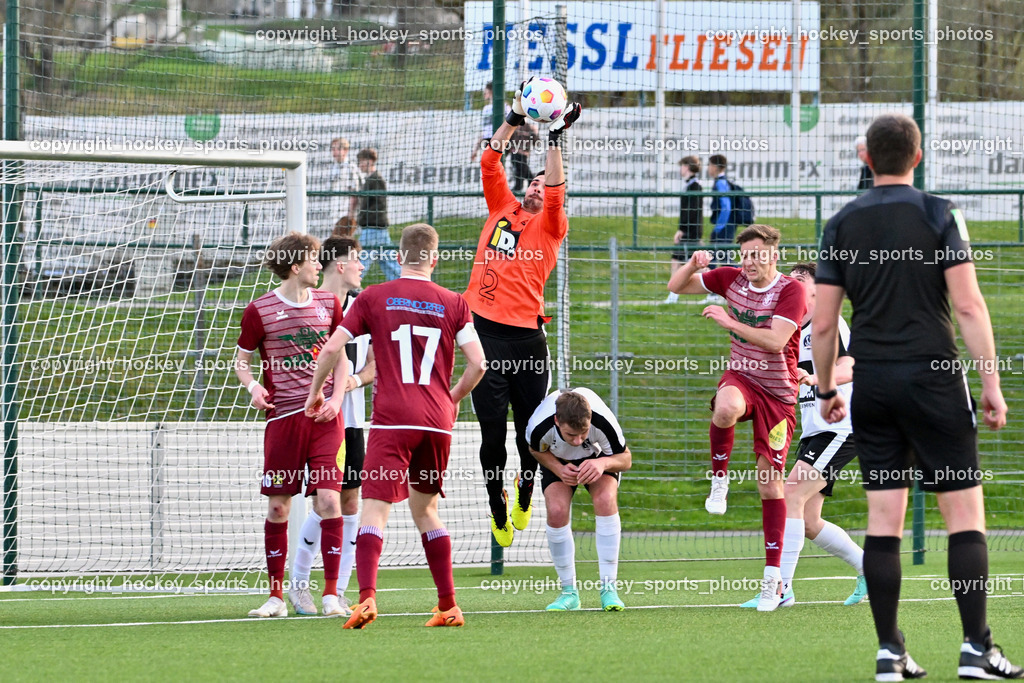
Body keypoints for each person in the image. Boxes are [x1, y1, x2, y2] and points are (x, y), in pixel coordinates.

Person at [814, 113, 1022, 681]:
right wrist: (991, 386)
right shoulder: (940, 212)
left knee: (884, 521)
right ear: (919, 154)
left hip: (874, 385)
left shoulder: (841, 222)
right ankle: (977, 649)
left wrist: (829, 386)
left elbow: (824, 324)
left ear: (865, 159)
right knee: (964, 518)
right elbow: (971, 307)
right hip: (933, 381)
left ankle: (889, 650)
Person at [306, 223, 487, 630]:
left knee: (374, 510)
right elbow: (480, 364)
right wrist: (452, 399)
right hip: (437, 422)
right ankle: (448, 605)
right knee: (426, 511)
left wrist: (315, 392)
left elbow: (333, 347)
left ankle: (367, 598)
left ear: (399, 257)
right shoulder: (454, 302)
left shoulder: (373, 297)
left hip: (393, 420)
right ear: (435, 260)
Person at [464, 77, 582, 548]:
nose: (537, 186)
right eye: (531, 181)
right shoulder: (500, 208)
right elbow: (489, 159)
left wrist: (555, 136)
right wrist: (514, 115)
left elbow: (555, 189)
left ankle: (525, 490)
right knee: (492, 436)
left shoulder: (551, 226)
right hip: (484, 336)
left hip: (528, 341)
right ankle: (496, 504)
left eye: (542, 183)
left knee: (529, 433)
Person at [666, 224, 806, 612]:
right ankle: (719, 480)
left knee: (769, 486)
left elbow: (776, 341)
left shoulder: (790, 291)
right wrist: (692, 264)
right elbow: (678, 287)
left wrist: (730, 323)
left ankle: (772, 580)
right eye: (745, 255)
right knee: (724, 407)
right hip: (742, 377)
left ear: (774, 255)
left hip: (778, 395)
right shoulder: (731, 279)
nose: (750, 262)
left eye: (758, 254)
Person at [738, 262, 866, 609]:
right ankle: (869, 569)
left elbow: (851, 365)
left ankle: (782, 588)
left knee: (789, 493)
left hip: (842, 426)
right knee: (809, 521)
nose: (789, 288)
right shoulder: (788, 331)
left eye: (799, 283)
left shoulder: (828, 323)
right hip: (814, 431)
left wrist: (821, 380)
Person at [234, 231, 347, 618]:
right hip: (283, 419)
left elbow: (341, 357)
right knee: (279, 509)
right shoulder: (259, 310)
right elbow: (242, 361)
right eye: (315, 260)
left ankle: (331, 595)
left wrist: (335, 399)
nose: (320, 266)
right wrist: (252, 387)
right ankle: (276, 597)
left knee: (330, 500)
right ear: (296, 267)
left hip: (324, 420)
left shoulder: (329, 303)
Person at [288, 236, 376, 617]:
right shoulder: (311, 305)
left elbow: (376, 364)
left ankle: (337, 592)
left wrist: (354, 381)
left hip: (353, 421)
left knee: (349, 501)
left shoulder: (365, 307)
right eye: (356, 261)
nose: (361, 268)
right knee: (324, 502)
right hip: (316, 418)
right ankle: (298, 586)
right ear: (339, 266)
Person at [526, 388, 631, 612]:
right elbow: (535, 449)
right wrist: (558, 468)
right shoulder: (539, 426)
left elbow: (626, 458)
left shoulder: (603, 421)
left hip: (599, 460)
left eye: (583, 433)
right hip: (559, 462)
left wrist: (601, 464)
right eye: (570, 435)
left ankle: (609, 589)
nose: (577, 441)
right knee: (556, 510)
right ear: (556, 421)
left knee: (605, 499)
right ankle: (568, 592)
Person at [355, 148, 399, 281]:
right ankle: (403, 283)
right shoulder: (370, 179)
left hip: (373, 228)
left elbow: (378, 204)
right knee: (389, 262)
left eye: (361, 161)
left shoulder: (376, 179)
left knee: (360, 260)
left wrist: (363, 218)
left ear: (369, 161)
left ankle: (349, 286)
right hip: (376, 228)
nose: (359, 165)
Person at [665, 155, 703, 304]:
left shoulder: (695, 186)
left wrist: (682, 229)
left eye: (682, 166)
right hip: (690, 231)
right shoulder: (690, 185)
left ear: (687, 167)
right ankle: (674, 294)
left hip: (690, 232)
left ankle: (673, 294)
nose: (680, 169)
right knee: (688, 262)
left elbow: (692, 212)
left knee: (682, 261)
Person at [329, 137, 363, 227]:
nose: (334, 152)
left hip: (345, 214)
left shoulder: (350, 168)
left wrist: (350, 213)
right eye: (333, 149)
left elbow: (354, 193)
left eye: (338, 149)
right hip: (335, 212)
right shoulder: (334, 168)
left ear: (345, 150)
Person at [508, 120, 540, 192]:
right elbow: (509, 140)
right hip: (515, 152)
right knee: (518, 168)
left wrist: (535, 132)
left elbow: (536, 142)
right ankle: (526, 184)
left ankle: (528, 183)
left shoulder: (528, 127)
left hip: (524, 154)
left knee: (523, 169)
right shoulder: (513, 126)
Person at [470, 81, 494, 163]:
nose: (484, 93)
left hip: (499, 140)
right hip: (487, 141)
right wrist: (475, 149)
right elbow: (484, 132)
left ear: (490, 91)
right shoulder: (486, 109)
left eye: (486, 91)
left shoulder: (505, 107)